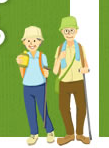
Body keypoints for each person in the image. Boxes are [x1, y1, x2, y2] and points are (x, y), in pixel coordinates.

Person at [52, 16, 90, 145]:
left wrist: (85, 69)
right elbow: (55, 71)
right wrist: (58, 59)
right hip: (64, 82)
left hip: (79, 81)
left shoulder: (80, 47)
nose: (69, 33)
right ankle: (69, 134)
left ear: (76, 31)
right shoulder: (59, 49)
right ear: (62, 32)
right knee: (63, 108)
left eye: (71, 30)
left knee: (82, 107)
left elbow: (86, 66)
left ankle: (79, 134)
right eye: (66, 31)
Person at [15, 26, 54, 145]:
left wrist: (46, 72)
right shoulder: (23, 56)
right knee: (30, 111)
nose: (31, 43)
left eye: (35, 40)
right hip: (27, 86)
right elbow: (22, 73)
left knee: (43, 110)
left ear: (40, 42)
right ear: (24, 42)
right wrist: (19, 63)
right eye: (28, 41)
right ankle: (34, 133)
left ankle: (50, 131)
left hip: (40, 86)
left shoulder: (42, 56)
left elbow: (45, 68)